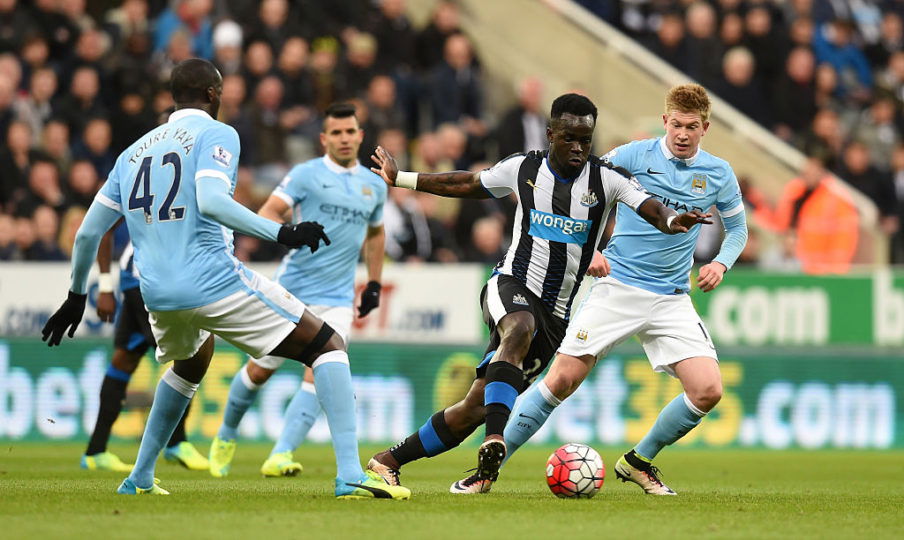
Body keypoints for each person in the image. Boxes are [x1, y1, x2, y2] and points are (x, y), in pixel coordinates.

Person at [41, 58, 409, 500]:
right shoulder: (218, 134)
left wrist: (76, 294)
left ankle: (139, 477)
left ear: (174, 96)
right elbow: (212, 201)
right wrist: (282, 232)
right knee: (328, 345)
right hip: (212, 279)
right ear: (214, 94)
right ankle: (350, 474)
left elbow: (86, 233)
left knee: (191, 364)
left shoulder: (132, 153)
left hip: (156, 293)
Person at [365, 93, 711, 493]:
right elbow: (467, 182)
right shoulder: (522, 167)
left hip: (556, 315)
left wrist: (673, 220)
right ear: (550, 134)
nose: (578, 147)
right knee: (519, 327)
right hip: (511, 282)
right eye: (569, 138)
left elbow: (650, 206)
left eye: (585, 139)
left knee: (474, 407)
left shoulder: (607, 178)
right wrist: (402, 178)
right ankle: (495, 440)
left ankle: (387, 461)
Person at [501, 83, 749, 496]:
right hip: (618, 285)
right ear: (665, 121)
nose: (683, 134)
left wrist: (721, 262)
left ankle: (637, 461)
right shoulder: (632, 156)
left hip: (671, 297)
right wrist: (591, 249)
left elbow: (738, 229)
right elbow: (579, 190)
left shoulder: (719, 173)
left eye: (692, 127)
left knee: (708, 390)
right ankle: (491, 463)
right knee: (561, 379)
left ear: (705, 128)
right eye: (676, 125)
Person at [209, 102, 387, 478]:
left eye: (349, 131)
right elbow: (269, 211)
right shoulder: (306, 175)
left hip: (338, 298)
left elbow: (375, 233)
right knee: (259, 371)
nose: (343, 138)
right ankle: (225, 434)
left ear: (360, 136)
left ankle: (281, 453)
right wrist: (288, 233)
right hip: (293, 290)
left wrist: (373, 283)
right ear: (324, 139)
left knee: (322, 367)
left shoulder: (374, 184)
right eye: (336, 132)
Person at [81, 232, 207, 472]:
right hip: (150, 279)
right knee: (189, 355)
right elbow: (102, 228)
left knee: (124, 359)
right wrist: (105, 286)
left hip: (143, 277)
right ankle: (177, 443)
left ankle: (95, 451)